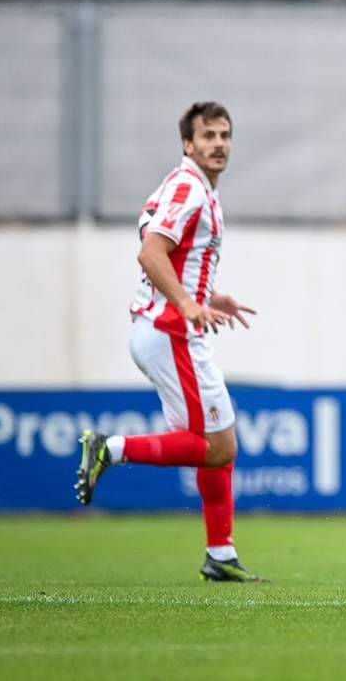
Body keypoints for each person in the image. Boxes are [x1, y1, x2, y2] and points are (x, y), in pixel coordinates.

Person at [74, 102, 264, 583]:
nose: (218, 144)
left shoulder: (192, 187)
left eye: (225, 135)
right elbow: (150, 252)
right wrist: (185, 302)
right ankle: (110, 448)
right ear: (188, 144)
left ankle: (220, 554)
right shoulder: (189, 188)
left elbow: (169, 254)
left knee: (213, 443)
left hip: (164, 329)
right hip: (171, 332)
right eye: (208, 136)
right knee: (219, 445)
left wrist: (206, 295)